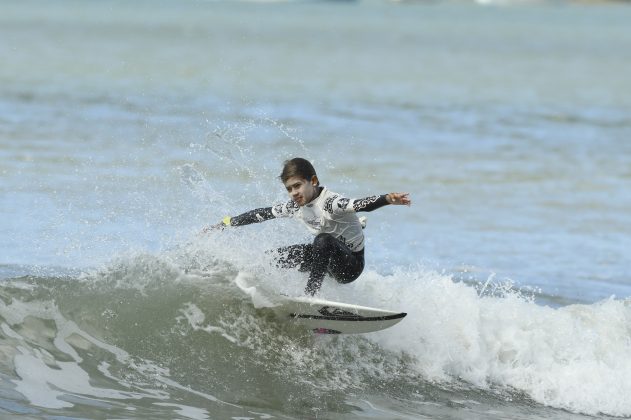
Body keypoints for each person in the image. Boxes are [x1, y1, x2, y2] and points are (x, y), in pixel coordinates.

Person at [207, 158, 411, 296]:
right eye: (289, 189)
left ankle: (310, 297)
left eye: (297, 186)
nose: (294, 193)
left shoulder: (331, 203)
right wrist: (226, 223)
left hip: (350, 266)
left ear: (313, 181)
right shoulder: (295, 206)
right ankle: (263, 291)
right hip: (325, 260)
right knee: (274, 257)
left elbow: (360, 204)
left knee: (322, 241)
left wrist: (387, 199)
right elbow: (262, 213)